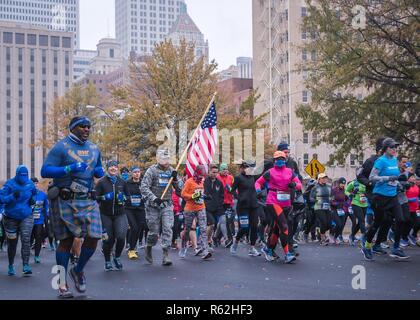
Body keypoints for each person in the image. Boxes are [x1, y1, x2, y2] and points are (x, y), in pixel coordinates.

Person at [41, 116, 104, 298]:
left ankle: (78, 270)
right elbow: (45, 171)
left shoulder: (94, 148)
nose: (86, 129)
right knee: (66, 242)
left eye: (88, 127)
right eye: (82, 126)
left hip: (88, 199)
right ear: (73, 128)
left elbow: (98, 168)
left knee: (94, 237)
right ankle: (61, 284)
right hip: (66, 199)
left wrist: (99, 171)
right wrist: (67, 169)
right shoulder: (61, 147)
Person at [361, 138, 410, 260]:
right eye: (392, 147)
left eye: (395, 147)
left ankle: (396, 248)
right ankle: (367, 246)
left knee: (401, 220)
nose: (394, 150)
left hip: (392, 196)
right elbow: (372, 177)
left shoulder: (394, 160)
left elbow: (396, 177)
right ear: (385, 148)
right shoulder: (380, 161)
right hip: (380, 197)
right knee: (378, 222)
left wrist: (400, 182)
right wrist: (387, 178)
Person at [255, 152, 301, 263]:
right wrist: (258, 191)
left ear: (285, 160)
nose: (279, 161)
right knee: (284, 227)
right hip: (273, 201)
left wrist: (294, 185)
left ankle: (268, 249)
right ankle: (287, 254)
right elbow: (258, 182)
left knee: (277, 228)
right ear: (274, 161)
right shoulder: (270, 172)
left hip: (286, 203)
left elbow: (299, 184)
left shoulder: (290, 172)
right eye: (277, 159)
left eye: (281, 159)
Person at [140, 149, 181, 266]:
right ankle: (149, 246)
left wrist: (176, 179)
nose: (165, 161)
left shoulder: (172, 171)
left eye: (167, 158)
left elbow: (179, 192)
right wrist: (154, 198)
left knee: (168, 228)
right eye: (163, 158)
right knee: (154, 231)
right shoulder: (151, 170)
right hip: (153, 206)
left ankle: (166, 254)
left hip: (166, 205)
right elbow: (143, 187)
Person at [0, 165, 37, 276]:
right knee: (12, 243)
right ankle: (11, 265)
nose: (23, 178)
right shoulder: (9, 184)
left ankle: (26, 265)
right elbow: (1, 199)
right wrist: (12, 196)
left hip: (26, 216)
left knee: (26, 240)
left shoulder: (30, 184)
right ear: (16, 175)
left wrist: (32, 200)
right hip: (10, 218)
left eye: (25, 176)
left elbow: (35, 194)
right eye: (21, 176)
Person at [96, 160, 130, 271]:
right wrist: (105, 197)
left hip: (120, 214)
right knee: (108, 239)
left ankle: (117, 257)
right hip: (105, 214)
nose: (113, 168)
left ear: (117, 168)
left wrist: (124, 198)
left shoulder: (122, 182)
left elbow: (128, 197)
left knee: (121, 237)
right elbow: (95, 198)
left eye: (115, 167)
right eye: (111, 167)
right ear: (107, 168)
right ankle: (107, 260)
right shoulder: (101, 182)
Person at [228, 160, 261, 257]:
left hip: (254, 206)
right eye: (247, 168)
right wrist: (239, 198)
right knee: (245, 228)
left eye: (251, 168)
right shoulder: (238, 178)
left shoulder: (254, 177)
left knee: (255, 226)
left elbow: (261, 182)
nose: (249, 170)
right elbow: (232, 191)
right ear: (243, 168)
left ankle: (252, 248)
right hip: (243, 207)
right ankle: (236, 242)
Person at [179, 165, 212, 260]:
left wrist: (205, 196)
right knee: (187, 229)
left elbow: (200, 193)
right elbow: (183, 194)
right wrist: (193, 196)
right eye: (201, 175)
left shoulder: (202, 181)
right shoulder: (189, 181)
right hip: (189, 208)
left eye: (203, 175)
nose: (202, 177)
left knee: (203, 229)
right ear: (197, 173)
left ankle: (205, 251)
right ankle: (184, 246)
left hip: (201, 207)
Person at [125, 166, 147, 259]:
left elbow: (147, 193)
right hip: (129, 209)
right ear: (132, 174)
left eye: (138, 172)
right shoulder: (127, 183)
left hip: (140, 209)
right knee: (134, 227)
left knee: (138, 228)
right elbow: (123, 194)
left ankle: (132, 245)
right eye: (135, 172)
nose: (137, 173)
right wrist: (127, 199)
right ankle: (131, 249)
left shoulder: (143, 183)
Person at [204, 165, 225, 250]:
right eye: (213, 172)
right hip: (206, 207)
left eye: (216, 172)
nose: (215, 174)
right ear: (209, 172)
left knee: (216, 224)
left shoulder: (219, 183)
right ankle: (207, 241)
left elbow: (221, 195)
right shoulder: (204, 181)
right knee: (211, 224)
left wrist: (219, 204)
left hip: (216, 208)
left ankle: (210, 239)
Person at [310, 173, 333, 245]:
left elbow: (332, 196)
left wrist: (332, 200)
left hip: (327, 207)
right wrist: (317, 200)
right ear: (319, 179)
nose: (324, 179)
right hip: (318, 207)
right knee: (323, 222)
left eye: (325, 178)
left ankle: (320, 232)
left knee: (329, 224)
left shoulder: (329, 187)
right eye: (323, 178)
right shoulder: (315, 187)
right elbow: (311, 198)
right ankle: (322, 239)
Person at [30, 177, 49, 264]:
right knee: (28, 238)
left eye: (36, 183)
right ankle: (28, 249)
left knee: (38, 237)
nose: (35, 185)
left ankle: (37, 255)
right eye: (33, 183)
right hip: (28, 220)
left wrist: (47, 216)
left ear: (38, 184)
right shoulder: (27, 194)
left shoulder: (43, 194)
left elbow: (46, 206)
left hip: (39, 220)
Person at [216, 163, 235, 247]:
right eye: (223, 169)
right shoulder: (217, 177)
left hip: (229, 202)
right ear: (220, 170)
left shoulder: (231, 177)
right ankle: (228, 239)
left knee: (225, 221)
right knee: (224, 221)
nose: (225, 171)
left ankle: (216, 237)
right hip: (220, 202)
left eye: (226, 169)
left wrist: (231, 189)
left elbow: (234, 189)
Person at [345, 179, 368, 246]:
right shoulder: (353, 183)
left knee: (360, 222)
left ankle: (352, 235)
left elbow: (370, 191)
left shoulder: (366, 182)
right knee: (362, 220)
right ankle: (364, 238)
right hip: (355, 203)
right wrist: (351, 194)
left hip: (364, 204)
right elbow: (346, 191)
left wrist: (368, 193)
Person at [330, 178, 349, 245]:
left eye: (344, 184)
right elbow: (331, 200)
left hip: (341, 210)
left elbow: (347, 199)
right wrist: (336, 204)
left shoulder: (344, 190)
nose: (343, 185)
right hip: (334, 209)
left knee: (341, 225)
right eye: (341, 183)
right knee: (338, 224)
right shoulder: (334, 190)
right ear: (338, 183)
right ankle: (332, 236)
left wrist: (346, 203)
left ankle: (336, 237)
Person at [405, 173, 419, 246]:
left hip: (415, 208)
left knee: (418, 222)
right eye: (412, 177)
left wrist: (418, 200)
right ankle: (404, 237)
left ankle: (412, 235)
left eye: (414, 177)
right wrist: (409, 199)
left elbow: (417, 195)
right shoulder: (406, 186)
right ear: (408, 178)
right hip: (407, 208)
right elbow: (402, 197)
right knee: (409, 223)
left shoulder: (416, 186)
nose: (414, 178)